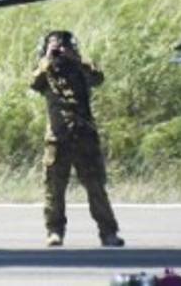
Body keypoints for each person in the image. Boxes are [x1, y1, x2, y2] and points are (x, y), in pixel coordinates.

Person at [30, 30, 123, 248]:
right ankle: (54, 231)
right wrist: (47, 60)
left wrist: (76, 60)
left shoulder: (81, 69)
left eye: (64, 47)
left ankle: (108, 233)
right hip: (57, 139)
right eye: (56, 47)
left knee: (96, 187)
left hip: (84, 136)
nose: (60, 51)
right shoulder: (45, 72)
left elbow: (98, 77)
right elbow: (33, 83)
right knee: (54, 189)